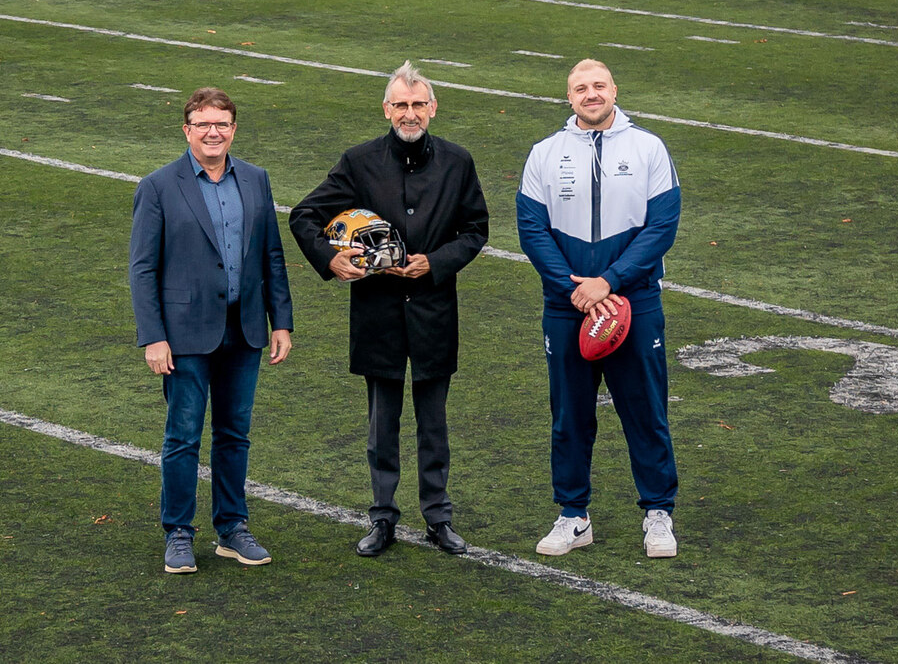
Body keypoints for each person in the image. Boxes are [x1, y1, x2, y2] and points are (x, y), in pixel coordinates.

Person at [290, 62, 489, 557]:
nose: (409, 113)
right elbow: (303, 215)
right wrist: (332, 260)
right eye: (400, 105)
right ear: (386, 109)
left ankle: (438, 519)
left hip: (433, 310)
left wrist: (436, 263)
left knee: (434, 424)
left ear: (433, 108)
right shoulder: (358, 161)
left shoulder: (457, 162)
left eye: (418, 104)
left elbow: (476, 229)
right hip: (376, 313)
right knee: (382, 425)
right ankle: (382, 519)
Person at [516, 59, 683, 559]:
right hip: (567, 305)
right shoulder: (545, 153)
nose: (591, 94)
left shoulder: (649, 147)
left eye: (599, 86)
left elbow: (662, 226)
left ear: (615, 90)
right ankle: (573, 515)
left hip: (634, 301)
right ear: (569, 98)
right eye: (580, 88)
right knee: (569, 414)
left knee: (646, 409)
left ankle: (658, 512)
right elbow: (532, 229)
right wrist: (577, 288)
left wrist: (608, 281)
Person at [129, 87, 294, 574]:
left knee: (234, 434)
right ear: (187, 130)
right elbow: (142, 269)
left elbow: (271, 256)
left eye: (221, 123)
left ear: (233, 129)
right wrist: (153, 336)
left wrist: (280, 320)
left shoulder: (257, 180)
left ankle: (232, 528)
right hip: (183, 334)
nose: (213, 132)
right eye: (202, 124)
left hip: (243, 330)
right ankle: (178, 531)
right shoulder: (158, 186)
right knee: (182, 436)